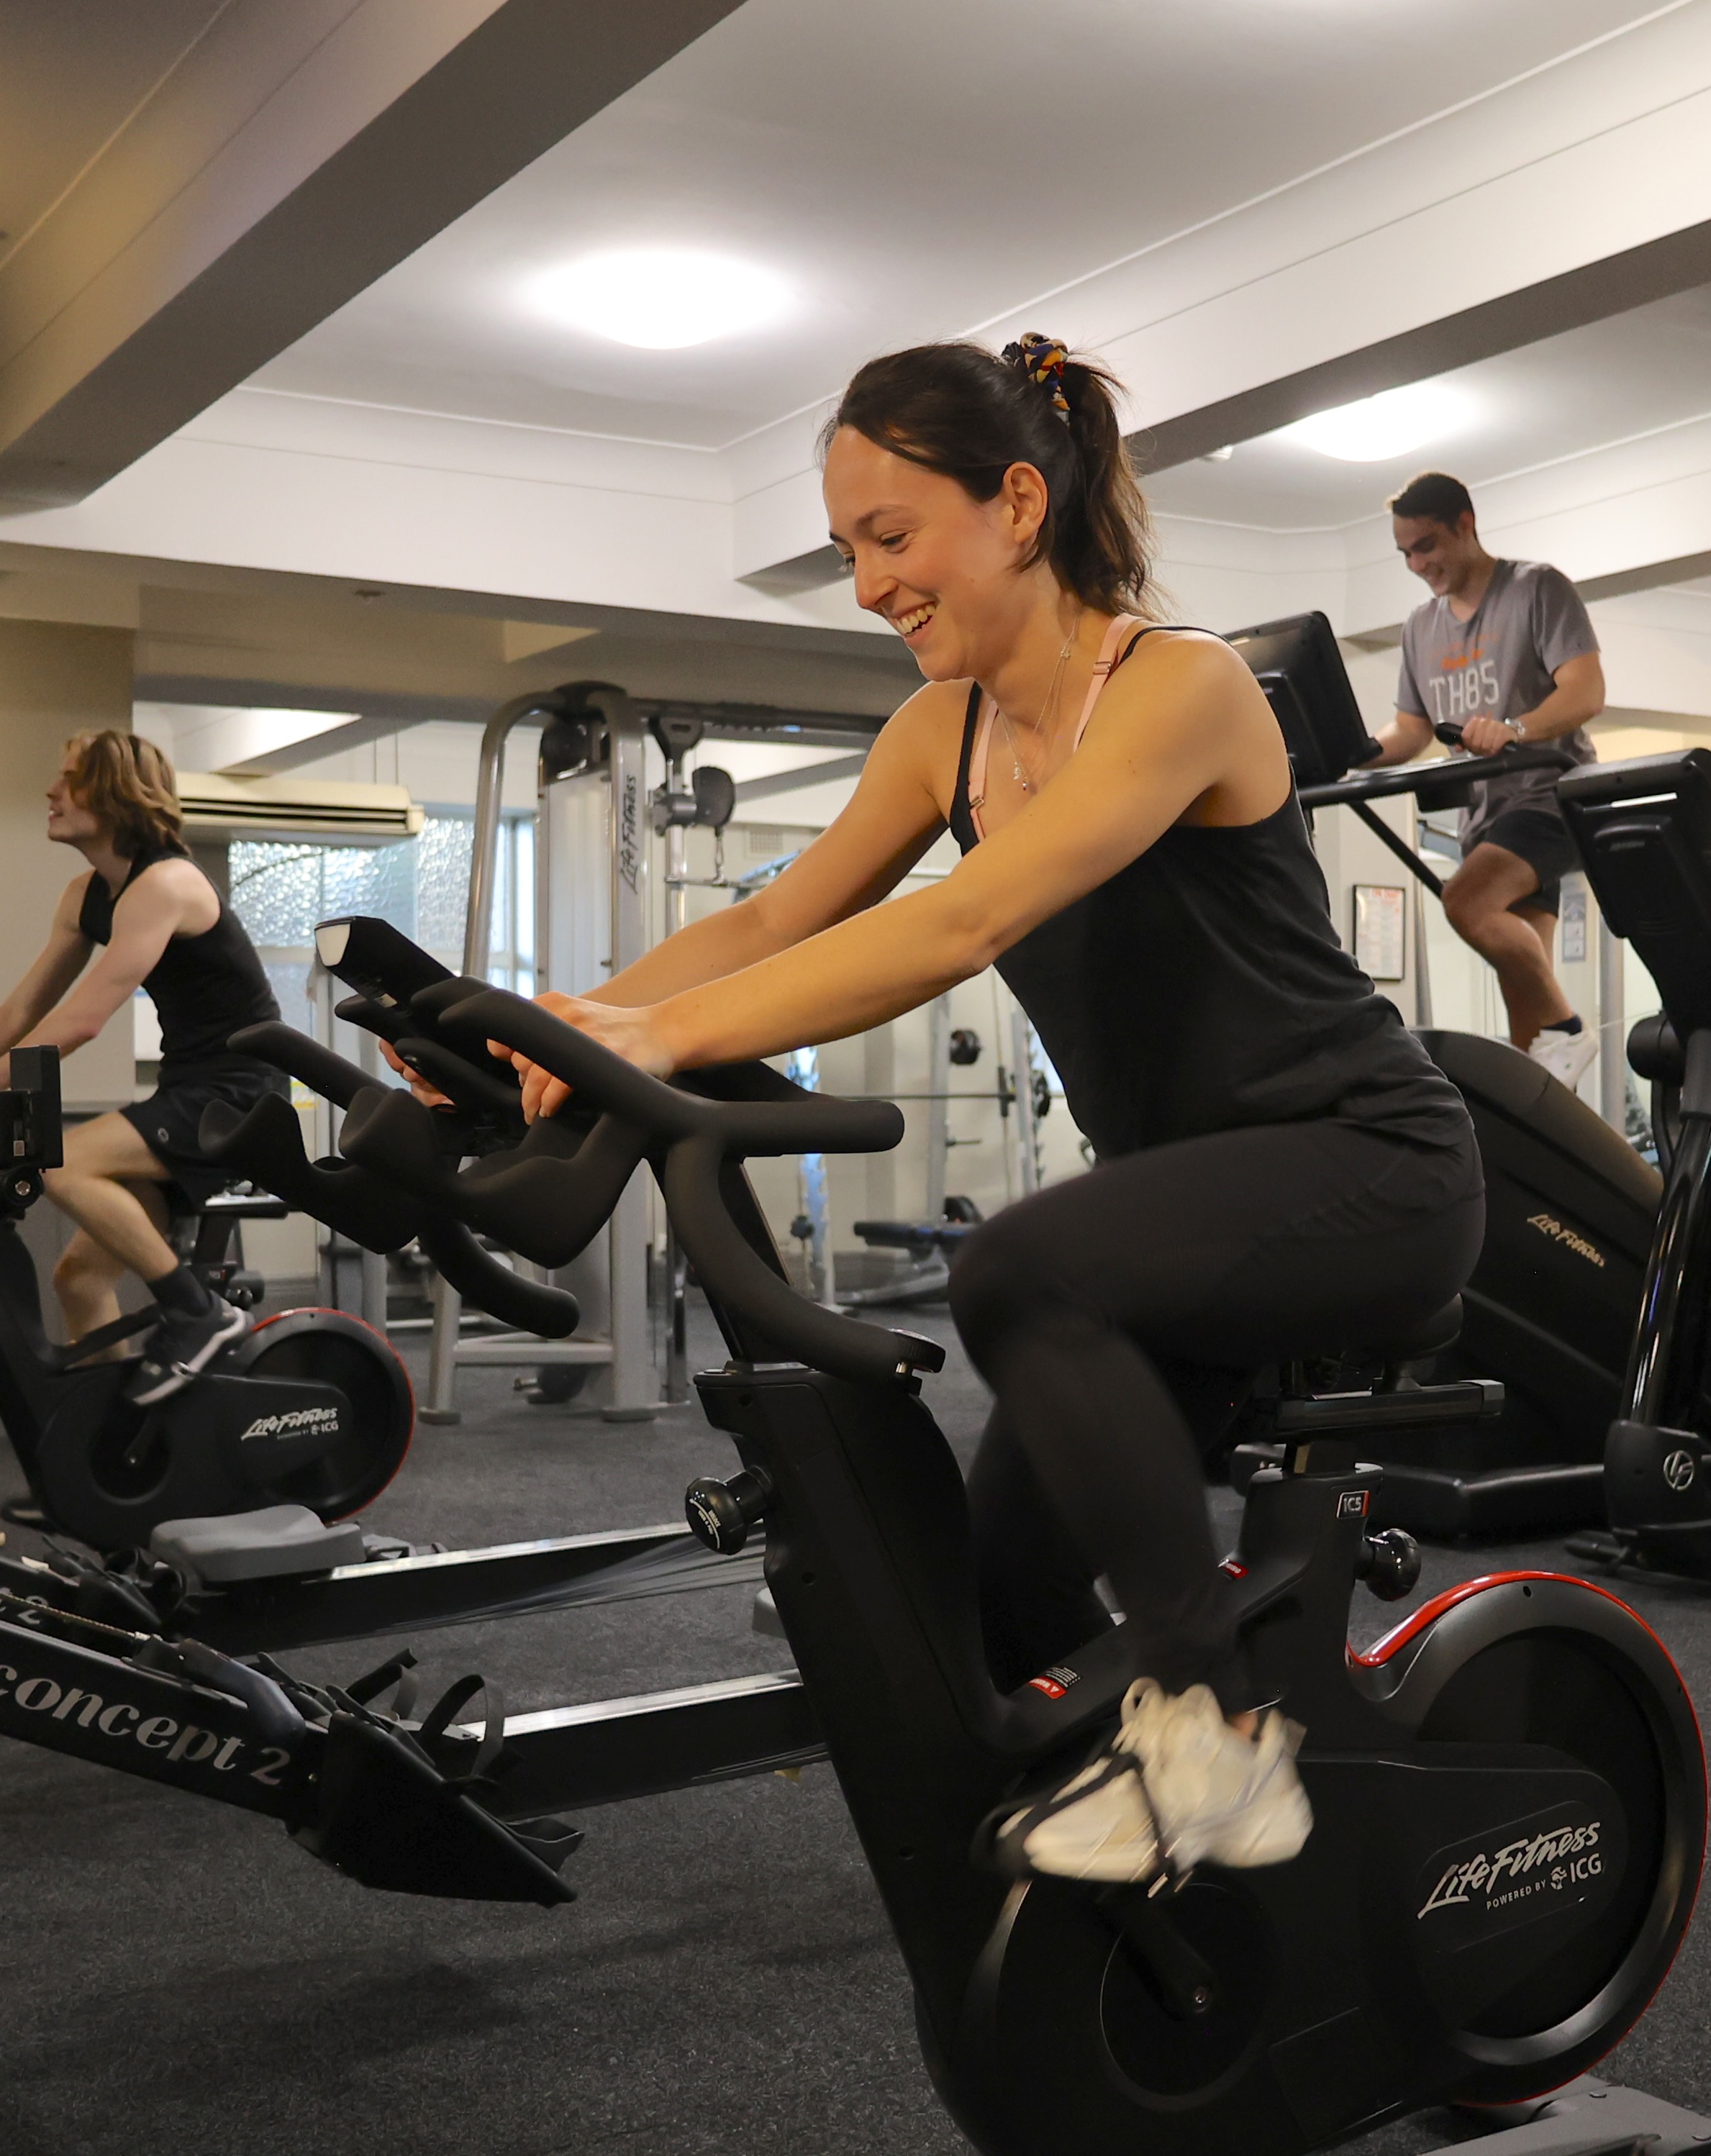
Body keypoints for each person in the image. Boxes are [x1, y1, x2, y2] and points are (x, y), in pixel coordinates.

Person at [494, 335, 1481, 1888]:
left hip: (1370, 1166)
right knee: (1002, 1595)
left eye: (892, 538)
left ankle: (1218, 1742)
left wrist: (659, 1036)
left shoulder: (1181, 685)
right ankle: (1239, 1871)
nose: (871, 582)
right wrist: (560, 1028)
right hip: (1184, 1214)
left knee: (1013, 1270)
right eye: (849, 552)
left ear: (1018, 501)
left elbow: (960, 927)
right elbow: (767, 926)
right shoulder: (939, 734)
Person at [0, 729, 286, 1404]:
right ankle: (108, 1443)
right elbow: (23, 1010)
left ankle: (200, 1313)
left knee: (61, 1161)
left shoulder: (168, 883)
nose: (51, 792)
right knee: (80, 1281)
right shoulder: (85, 895)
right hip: (190, 1091)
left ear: (116, 793)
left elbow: (84, 1020)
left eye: (70, 779)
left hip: (239, 1095)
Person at [1360, 471, 1607, 1089]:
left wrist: (1515, 728)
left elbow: (1587, 690)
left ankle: (1571, 1031)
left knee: (1466, 902)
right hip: (1485, 813)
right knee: (1524, 988)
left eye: (1427, 546)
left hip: (1550, 793)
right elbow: (1410, 731)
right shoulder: (1421, 626)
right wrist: (1350, 752)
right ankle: (1550, 1109)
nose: (1418, 564)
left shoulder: (1536, 589)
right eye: (1406, 553)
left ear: (1464, 525)